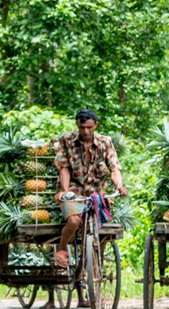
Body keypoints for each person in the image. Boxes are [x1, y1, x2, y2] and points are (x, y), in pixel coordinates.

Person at [54, 109, 127, 273]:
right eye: (82, 128)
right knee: (74, 222)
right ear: (77, 125)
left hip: (95, 195)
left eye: (89, 127)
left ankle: (93, 276)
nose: (86, 131)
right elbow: (64, 168)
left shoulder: (105, 142)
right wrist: (65, 192)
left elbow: (114, 169)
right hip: (73, 192)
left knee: (100, 234)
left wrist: (119, 186)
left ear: (96, 125)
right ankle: (62, 248)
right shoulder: (66, 140)